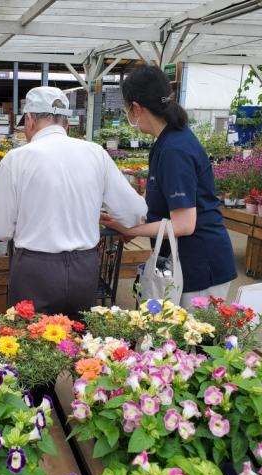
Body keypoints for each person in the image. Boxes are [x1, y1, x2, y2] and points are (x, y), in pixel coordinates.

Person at [0, 86, 147, 319]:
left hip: (34, 270)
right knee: (80, 346)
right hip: (84, 268)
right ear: (66, 123)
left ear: (29, 120)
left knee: (30, 346)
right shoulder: (95, 153)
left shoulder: (16, 159)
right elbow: (134, 212)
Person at [100, 66, 237, 308]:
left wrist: (130, 229)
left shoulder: (175, 150)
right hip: (182, 261)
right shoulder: (167, 141)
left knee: (191, 340)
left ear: (136, 108)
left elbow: (184, 224)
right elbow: (163, 205)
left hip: (199, 265)